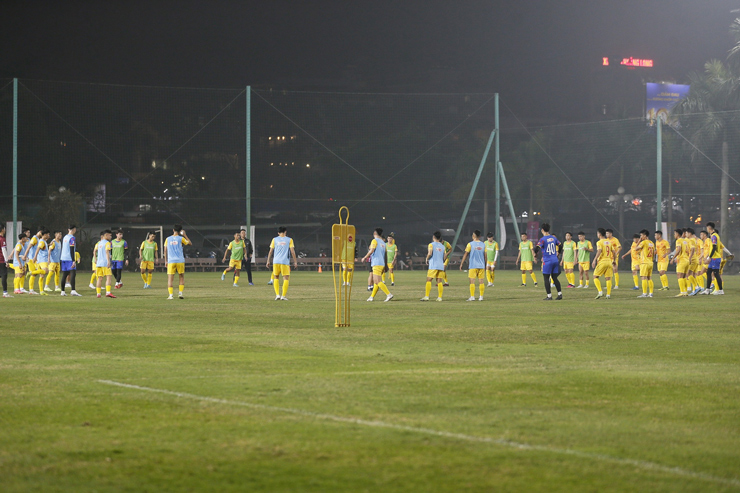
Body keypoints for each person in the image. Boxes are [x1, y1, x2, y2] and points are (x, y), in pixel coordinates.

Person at [360, 228, 393, 302]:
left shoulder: (374, 241)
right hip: (381, 263)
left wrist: (365, 257)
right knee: (376, 282)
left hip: (376, 263)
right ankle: (371, 297)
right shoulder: (383, 243)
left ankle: (389, 294)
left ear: (375, 233)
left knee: (377, 281)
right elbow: (385, 255)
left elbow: (371, 250)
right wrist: (385, 266)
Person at [266, 226, 298, 301]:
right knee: (286, 278)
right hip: (285, 261)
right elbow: (292, 252)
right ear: (285, 232)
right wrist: (295, 261)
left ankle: (277, 295)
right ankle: (283, 296)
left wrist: (268, 261)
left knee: (276, 277)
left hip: (276, 261)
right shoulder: (289, 240)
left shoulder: (274, 239)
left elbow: (270, 251)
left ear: (278, 233)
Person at [164, 225, 191, 300]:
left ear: (173, 230)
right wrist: (185, 235)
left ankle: (170, 295)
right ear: (180, 231)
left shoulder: (168, 239)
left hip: (171, 261)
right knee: (181, 277)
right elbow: (190, 243)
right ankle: (180, 293)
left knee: (170, 279)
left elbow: (165, 250)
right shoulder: (181, 238)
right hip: (180, 260)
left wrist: (166, 261)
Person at [537, 223, 562, 300]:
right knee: (554, 278)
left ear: (542, 230)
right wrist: (558, 253)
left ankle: (549, 296)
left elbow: (537, 248)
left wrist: (535, 254)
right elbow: (560, 245)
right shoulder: (553, 238)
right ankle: (560, 294)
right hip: (555, 260)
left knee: (546, 278)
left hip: (547, 261)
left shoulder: (542, 239)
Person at [460, 230, 486, 301]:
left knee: (472, 281)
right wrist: (485, 264)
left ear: (473, 236)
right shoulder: (483, 244)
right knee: (481, 281)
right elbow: (485, 256)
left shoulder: (470, 244)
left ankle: (472, 296)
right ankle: (481, 297)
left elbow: (466, 254)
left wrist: (462, 263)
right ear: (480, 236)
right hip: (481, 265)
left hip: (473, 265)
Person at [421, 231, 447, 301]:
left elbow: (430, 253)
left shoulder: (431, 245)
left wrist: (427, 259)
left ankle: (426, 296)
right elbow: (445, 256)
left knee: (429, 280)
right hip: (440, 266)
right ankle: (439, 297)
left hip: (433, 265)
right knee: (439, 281)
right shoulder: (443, 246)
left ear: (433, 237)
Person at [592, 228, 615, 300]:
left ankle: (600, 292)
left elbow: (599, 251)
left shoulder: (599, 242)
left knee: (595, 276)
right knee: (608, 278)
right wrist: (614, 260)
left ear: (599, 234)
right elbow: (614, 252)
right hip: (609, 261)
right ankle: (608, 295)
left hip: (602, 261)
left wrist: (594, 260)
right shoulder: (609, 242)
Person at [60, 225, 81, 297]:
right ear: (74, 229)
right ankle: (73, 291)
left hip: (63, 258)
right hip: (69, 258)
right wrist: (73, 260)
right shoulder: (72, 238)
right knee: (73, 273)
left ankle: (62, 291)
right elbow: (71, 249)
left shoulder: (65, 237)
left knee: (64, 274)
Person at [95, 229, 116, 299]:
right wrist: (108, 261)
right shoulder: (107, 243)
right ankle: (108, 292)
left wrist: (95, 259)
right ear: (106, 235)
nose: (111, 237)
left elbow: (95, 251)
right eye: (110, 235)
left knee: (99, 278)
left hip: (99, 263)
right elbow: (107, 252)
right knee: (108, 277)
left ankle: (98, 293)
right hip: (105, 263)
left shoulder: (99, 243)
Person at [705, 222, 725, 295]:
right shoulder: (714, 235)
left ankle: (721, 290)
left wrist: (709, 257)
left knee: (716, 274)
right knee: (708, 272)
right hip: (714, 257)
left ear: (709, 228)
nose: (707, 229)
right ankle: (707, 289)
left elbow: (714, 247)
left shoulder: (714, 236)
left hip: (715, 258)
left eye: (707, 228)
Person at [670, 228, 691, 297]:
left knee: (679, 276)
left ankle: (682, 292)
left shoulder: (678, 241)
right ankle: (685, 292)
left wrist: (673, 258)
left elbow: (678, 249)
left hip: (682, 260)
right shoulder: (685, 241)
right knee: (684, 276)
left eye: (674, 234)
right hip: (687, 260)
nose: (674, 235)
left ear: (677, 234)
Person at [635, 230, 655, 298]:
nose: (640, 237)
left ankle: (644, 293)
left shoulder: (643, 242)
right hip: (650, 262)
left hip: (644, 263)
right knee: (649, 278)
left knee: (643, 277)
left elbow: (636, 248)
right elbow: (653, 254)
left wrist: (639, 241)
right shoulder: (652, 243)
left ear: (645, 235)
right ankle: (651, 293)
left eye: (641, 235)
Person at [31, 230, 51, 296]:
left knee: (42, 276)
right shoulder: (42, 241)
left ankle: (41, 291)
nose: (49, 235)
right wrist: (35, 257)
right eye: (48, 234)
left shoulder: (43, 241)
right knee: (46, 271)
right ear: (44, 235)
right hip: (42, 260)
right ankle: (32, 272)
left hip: (41, 260)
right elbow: (38, 249)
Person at [0, 225, 10, 298]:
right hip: (1, 260)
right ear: (2, 230)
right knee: (4, 275)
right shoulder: (2, 239)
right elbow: (4, 250)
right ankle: (5, 293)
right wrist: (6, 261)